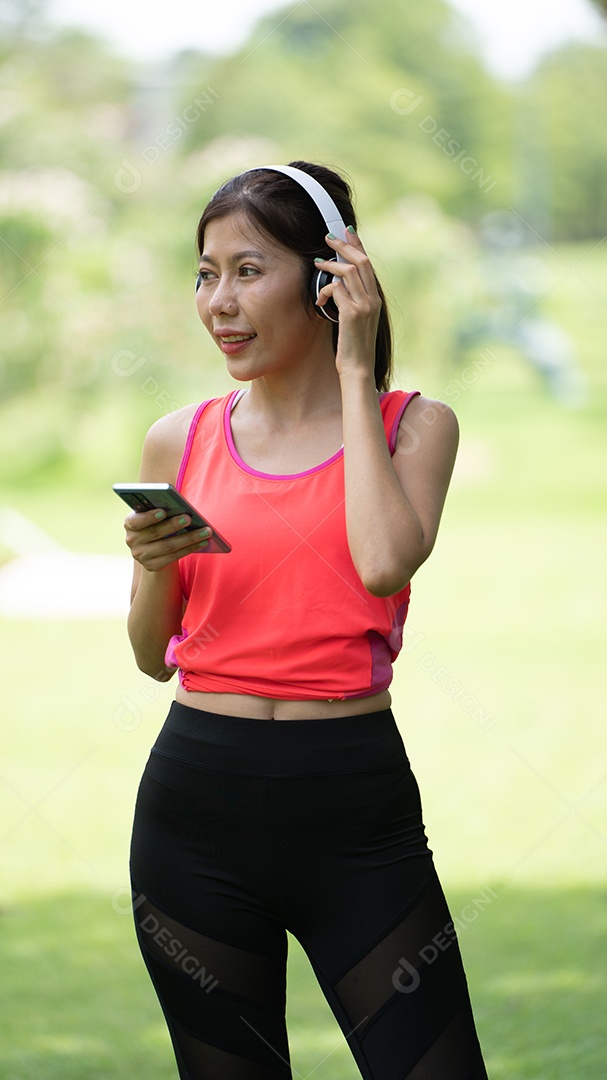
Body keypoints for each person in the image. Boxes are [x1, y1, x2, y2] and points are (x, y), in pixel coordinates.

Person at [123, 161, 489, 1079]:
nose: (219, 301)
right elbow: (149, 657)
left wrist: (353, 365)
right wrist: (152, 571)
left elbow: (381, 561)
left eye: (249, 269)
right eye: (206, 273)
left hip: (353, 812)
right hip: (193, 810)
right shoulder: (180, 437)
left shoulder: (414, 426)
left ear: (329, 278)